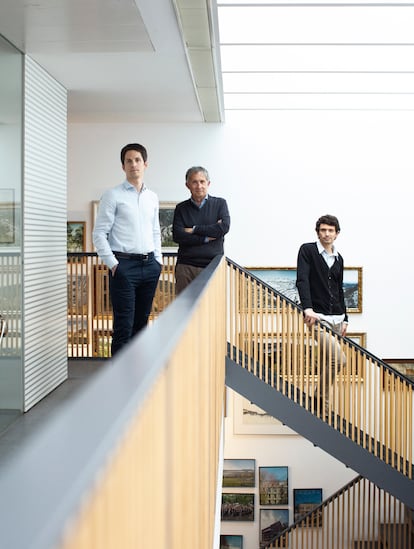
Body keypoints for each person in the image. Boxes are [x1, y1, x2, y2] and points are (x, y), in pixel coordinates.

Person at [93, 143, 162, 356]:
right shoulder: (112, 195)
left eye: (137, 160)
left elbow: (155, 232)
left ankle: (138, 378)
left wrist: (158, 261)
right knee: (124, 326)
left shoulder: (152, 197)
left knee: (141, 326)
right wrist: (114, 266)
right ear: (123, 166)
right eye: (128, 161)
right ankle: (120, 383)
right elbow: (99, 234)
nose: (133, 164)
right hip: (124, 267)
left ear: (145, 164)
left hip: (149, 266)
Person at [296, 214, 347, 418]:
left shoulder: (339, 258)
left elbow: (339, 289)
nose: (326, 233)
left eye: (330, 230)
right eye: (323, 230)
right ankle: (320, 401)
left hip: (337, 318)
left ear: (337, 234)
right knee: (339, 360)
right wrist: (307, 308)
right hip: (317, 318)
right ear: (318, 232)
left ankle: (320, 402)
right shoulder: (307, 250)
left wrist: (346, 319)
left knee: (329, 363)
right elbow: (302, 280)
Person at [172, 166, 230, 294]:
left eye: (202, 181)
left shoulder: (220, 204)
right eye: (194, 182)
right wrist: (205, 238)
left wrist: (194, 229)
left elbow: (223, 228)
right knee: (184, 310)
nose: (199, 186)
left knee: (211, 311)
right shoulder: (181, 208)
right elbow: (178, 236)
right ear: (187, 185)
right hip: (185, 267)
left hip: (213, 266)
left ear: (208, 183)